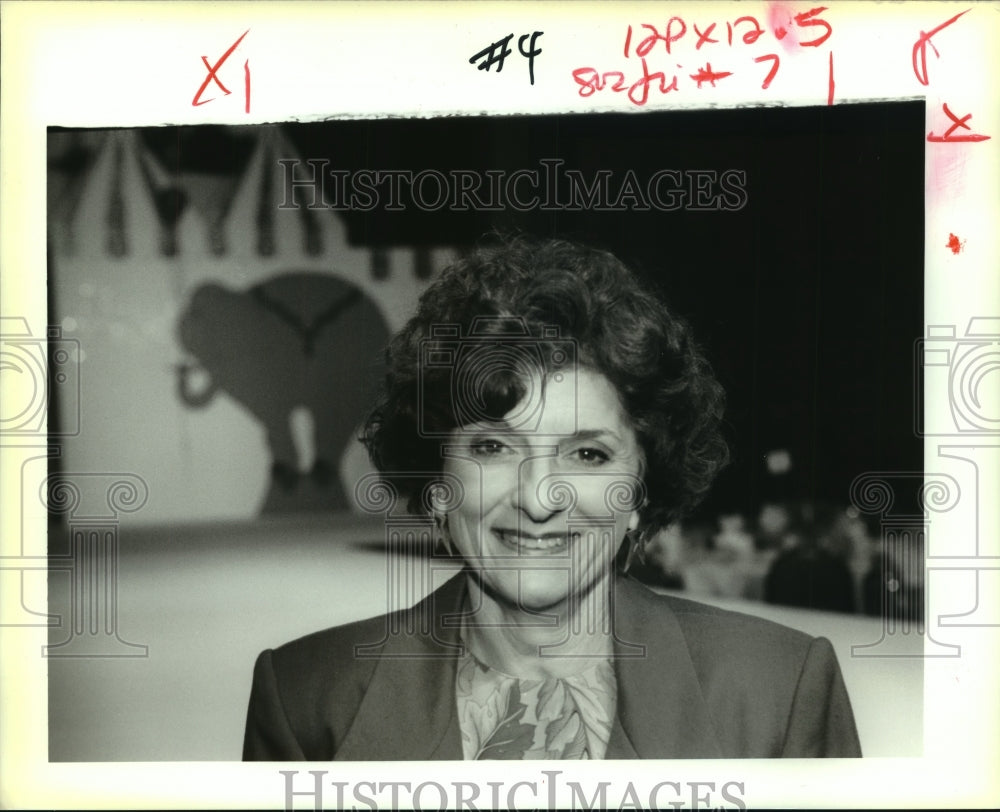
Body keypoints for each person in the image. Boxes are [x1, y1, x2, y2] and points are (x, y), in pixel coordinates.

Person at [242, 235, 862, 760]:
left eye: (588, 454)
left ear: (641, 492)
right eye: (492, 449)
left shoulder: (781, 692)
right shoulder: (305, 700)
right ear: (436, 486)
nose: (539, 496)